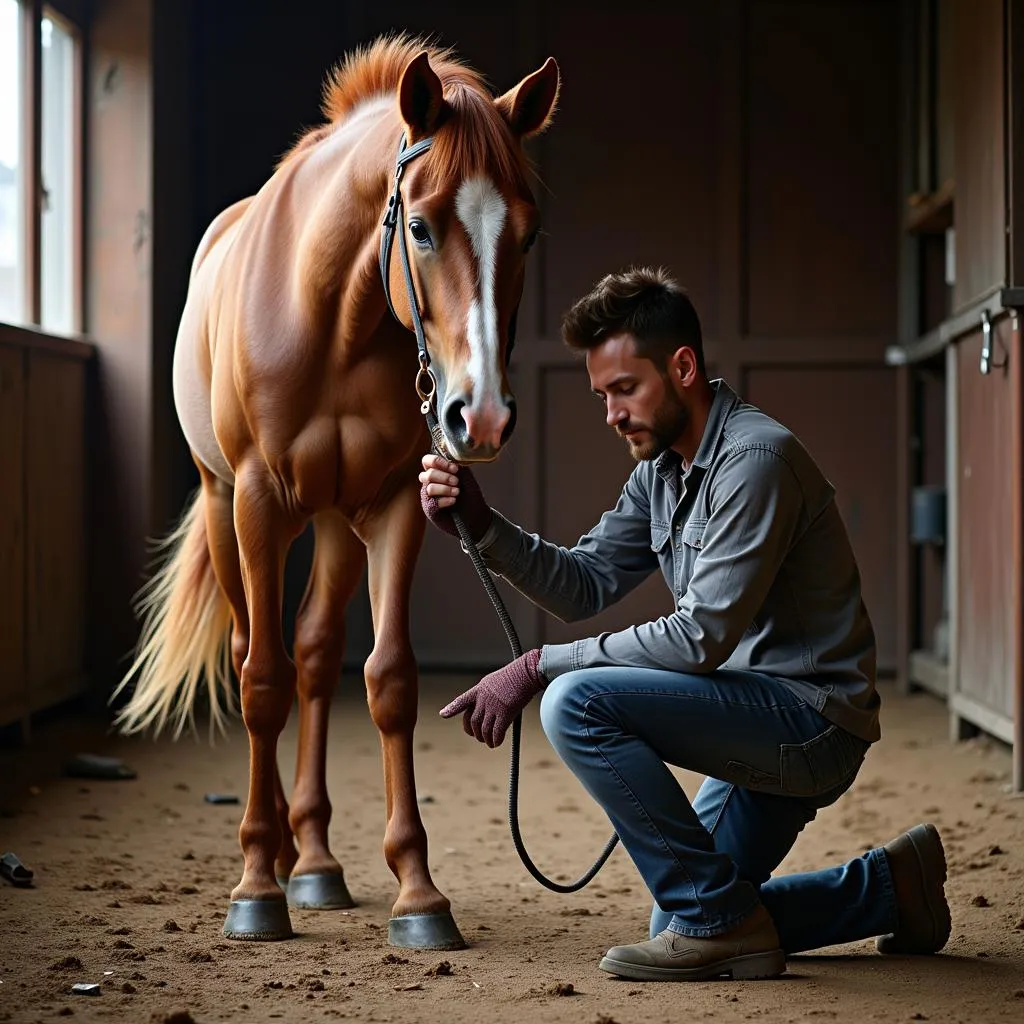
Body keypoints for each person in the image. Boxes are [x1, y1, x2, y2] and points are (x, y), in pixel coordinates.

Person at [418, 266, 951, 982]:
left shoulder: (756, 460)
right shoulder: (663, 470)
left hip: (809, 722)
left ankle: (730, 922)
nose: (611, 413)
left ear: (684, 367)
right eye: (602, 395)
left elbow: (700, 639)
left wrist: (539, 665)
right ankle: (892, 887)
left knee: (576, 702)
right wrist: (482, 526)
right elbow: (584, 582)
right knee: (689, 917)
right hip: (754, 714)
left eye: (625, 389)